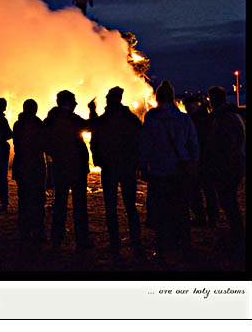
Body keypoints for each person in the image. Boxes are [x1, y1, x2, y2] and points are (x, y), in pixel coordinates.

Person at [139, 81, 199, 263]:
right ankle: (185, 246)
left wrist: (143, 165)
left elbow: (145, 145)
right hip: (179, 171)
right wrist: (193, 164)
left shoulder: (150, 118)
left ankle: (164, 248)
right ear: (172, 98)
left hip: (158, 172)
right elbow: (193, 144)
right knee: (181, 209)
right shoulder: (184, 119)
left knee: (161, 211)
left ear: (157, 98)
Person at [89, 87, 143, 255]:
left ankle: (115, 242)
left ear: (111, 99)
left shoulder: (104, 120)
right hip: (127, 167)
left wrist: (98, 160)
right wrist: (137, 162)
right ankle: (136, 242)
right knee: (130, 206)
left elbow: (94, 136)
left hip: (109, 167)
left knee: (111, 207)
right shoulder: (131, 119)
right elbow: (140, 141)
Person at [43, 90, 93, 252]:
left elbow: (45, 142)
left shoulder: (50, 120)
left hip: (60, 167)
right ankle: (82, 241)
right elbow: (90, 126)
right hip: (77, 167)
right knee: (79, 205)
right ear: (68, 102)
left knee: (60, 204)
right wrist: (92, 110)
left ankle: (56, 240)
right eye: (74, 101)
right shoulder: (71, 119)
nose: (76, 104)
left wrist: (55, 155)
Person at [203, 86, 245, 256]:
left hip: (228, 166)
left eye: (210, 99)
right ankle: (236, 233)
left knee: (229, 201)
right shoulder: (231, 116)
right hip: (232, 165)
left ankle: (237, 235)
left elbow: (226, 145)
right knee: (229, 200)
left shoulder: (225, 119)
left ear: (214, 100)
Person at [12, 99, 46, 243]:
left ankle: (25, 230)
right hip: (36, 167)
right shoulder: (39, 124)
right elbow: (44, 143)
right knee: (37, 200)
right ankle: (37, 230)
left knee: (24, 199)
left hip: (21, 166)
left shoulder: (18, 124)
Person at [182, 94, 218, 227]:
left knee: (199, 190)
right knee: (205, 191)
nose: (187, 108)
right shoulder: (207, 118)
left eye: (189, 105)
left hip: (201, 160)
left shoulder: (195, 120)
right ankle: (210, 217)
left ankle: (203, 217)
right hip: (204, 160)